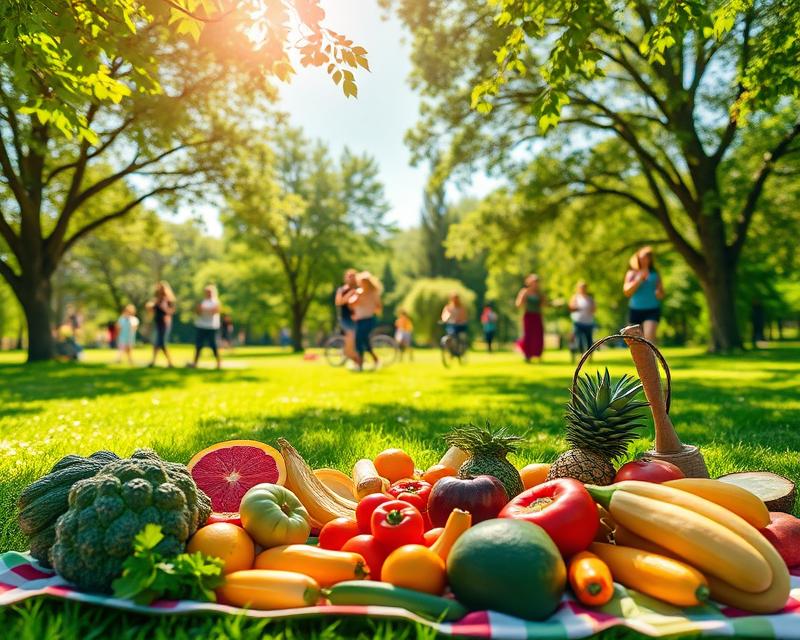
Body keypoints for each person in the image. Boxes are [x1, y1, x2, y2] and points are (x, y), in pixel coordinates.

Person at [623, 246, 664, 343]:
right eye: (642, 257)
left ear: (650, 259)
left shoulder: (655, 274)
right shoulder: (631, 273)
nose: (644, 260)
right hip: (635, 310)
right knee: (636, 343)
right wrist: (639, 280)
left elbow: (661, 293)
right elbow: (626, 292)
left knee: (649, 339)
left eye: (647, 257)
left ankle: (652, 357)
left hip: (652, 310)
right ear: (638, 258)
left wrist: (659, 293)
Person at [348, 271, 382, 371]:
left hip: (368, 319)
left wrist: (370, 307)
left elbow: (378, 307)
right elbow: (351, 304)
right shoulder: (359, 292)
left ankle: (360, 364)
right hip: (359, 320)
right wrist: (358, 297)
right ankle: (373, 360)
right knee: (364, 341)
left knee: (360, 340)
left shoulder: (373, 293)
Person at [189, 284, 222, 369]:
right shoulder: (202, 301)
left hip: (212, 326)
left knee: (213, 345)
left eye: (209, 292)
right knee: (198, 345)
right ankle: (195, 363)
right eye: (207, 292)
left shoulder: (216, 301)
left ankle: (218, 363)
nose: (208, 293)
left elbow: (215, 311)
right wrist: (204, 309)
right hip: (201, 325)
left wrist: (204, 309)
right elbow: (198, 311)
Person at [515, 274, 545, 362]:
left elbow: (544, 304)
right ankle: (527, 355)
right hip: (528, 315)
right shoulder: (525, 291)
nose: (536, 284)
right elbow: (518, 304)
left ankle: (538, 354)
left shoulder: (539, 293)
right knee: (528, 335)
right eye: (534, 282)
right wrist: (523, 299)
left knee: (538, 335)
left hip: (537, 316)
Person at [146, 281, 176, 367]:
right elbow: (151, 310)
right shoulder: (157, 299)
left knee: (161, 343)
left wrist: (164, 308)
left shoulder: (168, 300)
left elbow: (171, 312)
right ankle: (153, 361)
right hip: (158, 322)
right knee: (157, 343)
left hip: (164, 323)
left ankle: (170, 362)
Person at [335, 269, 359, 363]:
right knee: (351, 336)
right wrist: (351, 293)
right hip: (345, 318)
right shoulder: (342, 290)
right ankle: (349, 355)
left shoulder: (358, 289)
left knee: (356, 339)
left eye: (353, 277)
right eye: (349, 277)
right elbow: (338, 302)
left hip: (356, 318)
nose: (351, 279)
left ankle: (352, 356)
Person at [568, 281, 596, 354]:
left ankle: (589, 355)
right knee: (579, 340)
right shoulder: (575, 298)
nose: (583, 289)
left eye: (584, 287)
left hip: (588, 322)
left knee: (589, 340)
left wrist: (591, 309)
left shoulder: (590, 298)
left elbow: (594, 309)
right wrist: (577, 307)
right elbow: (571, 308)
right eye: (581, 288)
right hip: (578, 322)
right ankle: (581, 355)